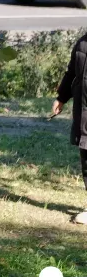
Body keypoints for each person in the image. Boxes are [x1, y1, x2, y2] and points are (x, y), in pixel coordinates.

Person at [49, 30, 87, 224]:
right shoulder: (82, 43)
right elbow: (71, 72)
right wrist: (61, 97)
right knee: (86, 160)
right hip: (84, 114)